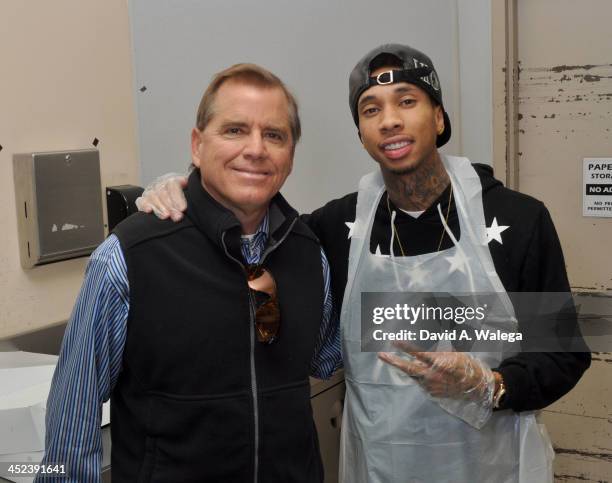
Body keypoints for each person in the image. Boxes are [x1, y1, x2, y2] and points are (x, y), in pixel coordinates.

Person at [137, 44, 591, 482]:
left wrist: (491, 385)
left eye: (407, 101)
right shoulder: (338, 226)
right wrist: (186, 188)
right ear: (361, 133)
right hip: (379, 466)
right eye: (371, 109)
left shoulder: (519, 219)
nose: (389, 120)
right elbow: (252, 227)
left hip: (492, 465)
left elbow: (564, 355)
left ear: (438, 117)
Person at [37, 63, 341, 483]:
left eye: (274, 135)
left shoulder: (309, 256)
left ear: (290, 155)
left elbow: (326, 359)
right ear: (197, 146)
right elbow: (73, 424)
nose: (256, 149)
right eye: (234, 130)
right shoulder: (130, 258)